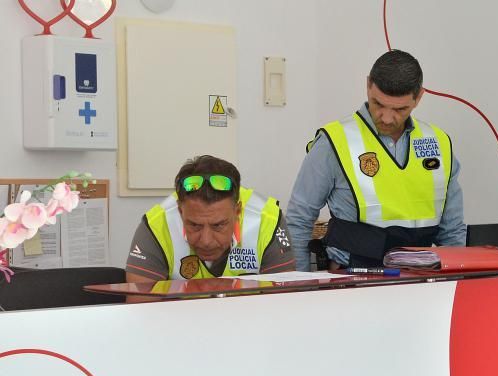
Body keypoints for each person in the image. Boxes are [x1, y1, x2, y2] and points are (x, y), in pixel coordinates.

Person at [286, 49, 466, 271]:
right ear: (368, 85)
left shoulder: (438, 143)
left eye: (400, 109)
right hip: (353, 279)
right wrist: (298, 283)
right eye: (378, 104)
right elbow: (299, 219)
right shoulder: (334, 142)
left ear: (419, 97)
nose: (387, 118)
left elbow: (453, 230)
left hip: (420, 279)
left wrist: (457, 277)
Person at [125, 155, 294, 284]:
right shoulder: (155, 227)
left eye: (219, 225)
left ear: (238, 211)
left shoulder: (269, 221)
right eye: (194, 225)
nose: (206, 241)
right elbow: (142, 312)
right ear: (180, 210)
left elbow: (283, 305)